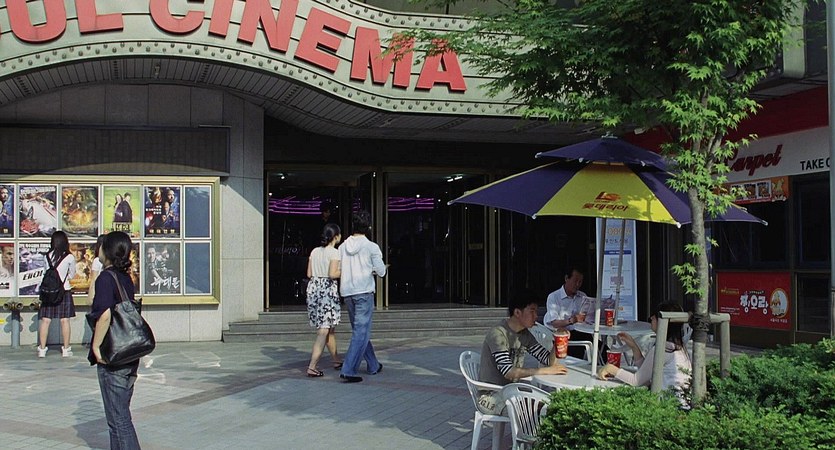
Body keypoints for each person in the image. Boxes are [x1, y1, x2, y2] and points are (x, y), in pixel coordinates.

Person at [87, 231, 142, 449]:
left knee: (119, 420)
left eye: (101, 246)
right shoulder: (124, 278)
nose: (98, 249)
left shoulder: (105, 278)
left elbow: (104, 314)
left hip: (113, 354)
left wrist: (96, 347)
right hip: (130, 352)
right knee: (119, 418)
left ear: (107, 251)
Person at [477, 289, 568, 414]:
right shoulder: (498, 334)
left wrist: (558, 341)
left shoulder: (525, 334)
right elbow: (508, 372)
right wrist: (544, 371)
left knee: (548, 408)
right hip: (489, 396)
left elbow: (548, 360)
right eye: (532, 311)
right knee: (532, 414)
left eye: (536, 311)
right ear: (517, 312)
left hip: (511, 392)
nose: (536, 316)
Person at [597, 302, 692, 398]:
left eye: (654, 316)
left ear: (662, 322)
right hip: (678, 400)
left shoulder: (663, 349)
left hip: (667, 402)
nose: (651, 318)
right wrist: (634, 347)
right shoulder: (677, 347)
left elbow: (636, 381)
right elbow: (646, 372)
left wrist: (611, 369)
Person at [338, 211, 386, 383]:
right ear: (369, 227)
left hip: (348, 292)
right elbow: (381, 271)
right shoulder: (371, 247)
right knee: (361, 332)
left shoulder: (342, 247)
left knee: (360, 331)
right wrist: (371, 269)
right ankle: (349, 369)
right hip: (364, 292)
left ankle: (373, 364)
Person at [304, 223, 343, 377]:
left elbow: (309, 273)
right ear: (336, 237)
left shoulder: (314, 251)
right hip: (326, 292)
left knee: (329, 330)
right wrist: (344, 271)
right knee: (323, 331)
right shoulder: (335, 253)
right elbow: (333, 274)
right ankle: (312, 366)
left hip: (314, 289)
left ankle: (336, 360)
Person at [37, 230, 77, 358]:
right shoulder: (69, 257)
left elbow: (45, 272)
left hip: (49, 291)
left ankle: (42, 349)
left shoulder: (47, 256)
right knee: (65, 320)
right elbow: (72, 274)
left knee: (45, 320)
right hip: (64, 290)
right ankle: (66, 349)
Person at [543, 266, 591, 358]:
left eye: (580, 282)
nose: (577, 284)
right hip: (562, 336)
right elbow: (554, 323)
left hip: (581, 333)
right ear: (566, 278)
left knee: (602, 349)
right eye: (575, 281)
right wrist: (571, 320)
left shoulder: (583, 296)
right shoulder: (554, 297)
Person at [88, 234, 107, 301]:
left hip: (100, 291)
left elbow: (94, 279)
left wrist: (90, 297)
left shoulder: (96, 260)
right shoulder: (98, 260)